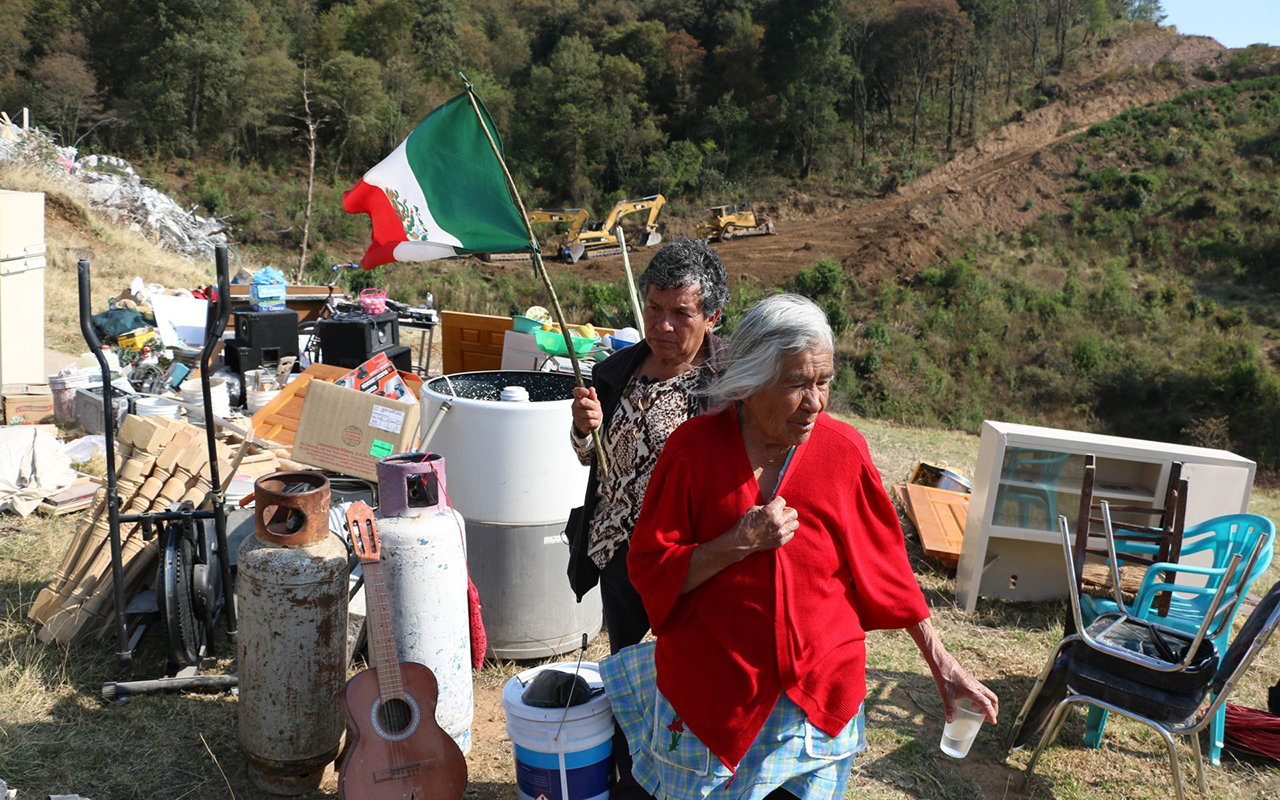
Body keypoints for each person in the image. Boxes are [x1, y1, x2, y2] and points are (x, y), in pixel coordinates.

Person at [601, 294, 999, 800]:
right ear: (749, 382)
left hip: (818, 695)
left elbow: (888, 571)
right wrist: (734, 544)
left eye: (823, 382)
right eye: (796, 384)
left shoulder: (843, 451)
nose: (815, 402)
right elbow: (651, 569)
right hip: (714, 695)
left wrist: (943, 665)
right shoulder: (692, 451)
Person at [565, 237, 728, 653]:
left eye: (681, 313)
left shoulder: (728, 390)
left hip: (686, 567)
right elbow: (595, 462)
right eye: (654, 308)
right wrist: (585, 430)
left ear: (712, 317)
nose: (663, 325)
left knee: (683, 676)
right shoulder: (617, 372)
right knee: (626, 675)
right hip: (618, 557)